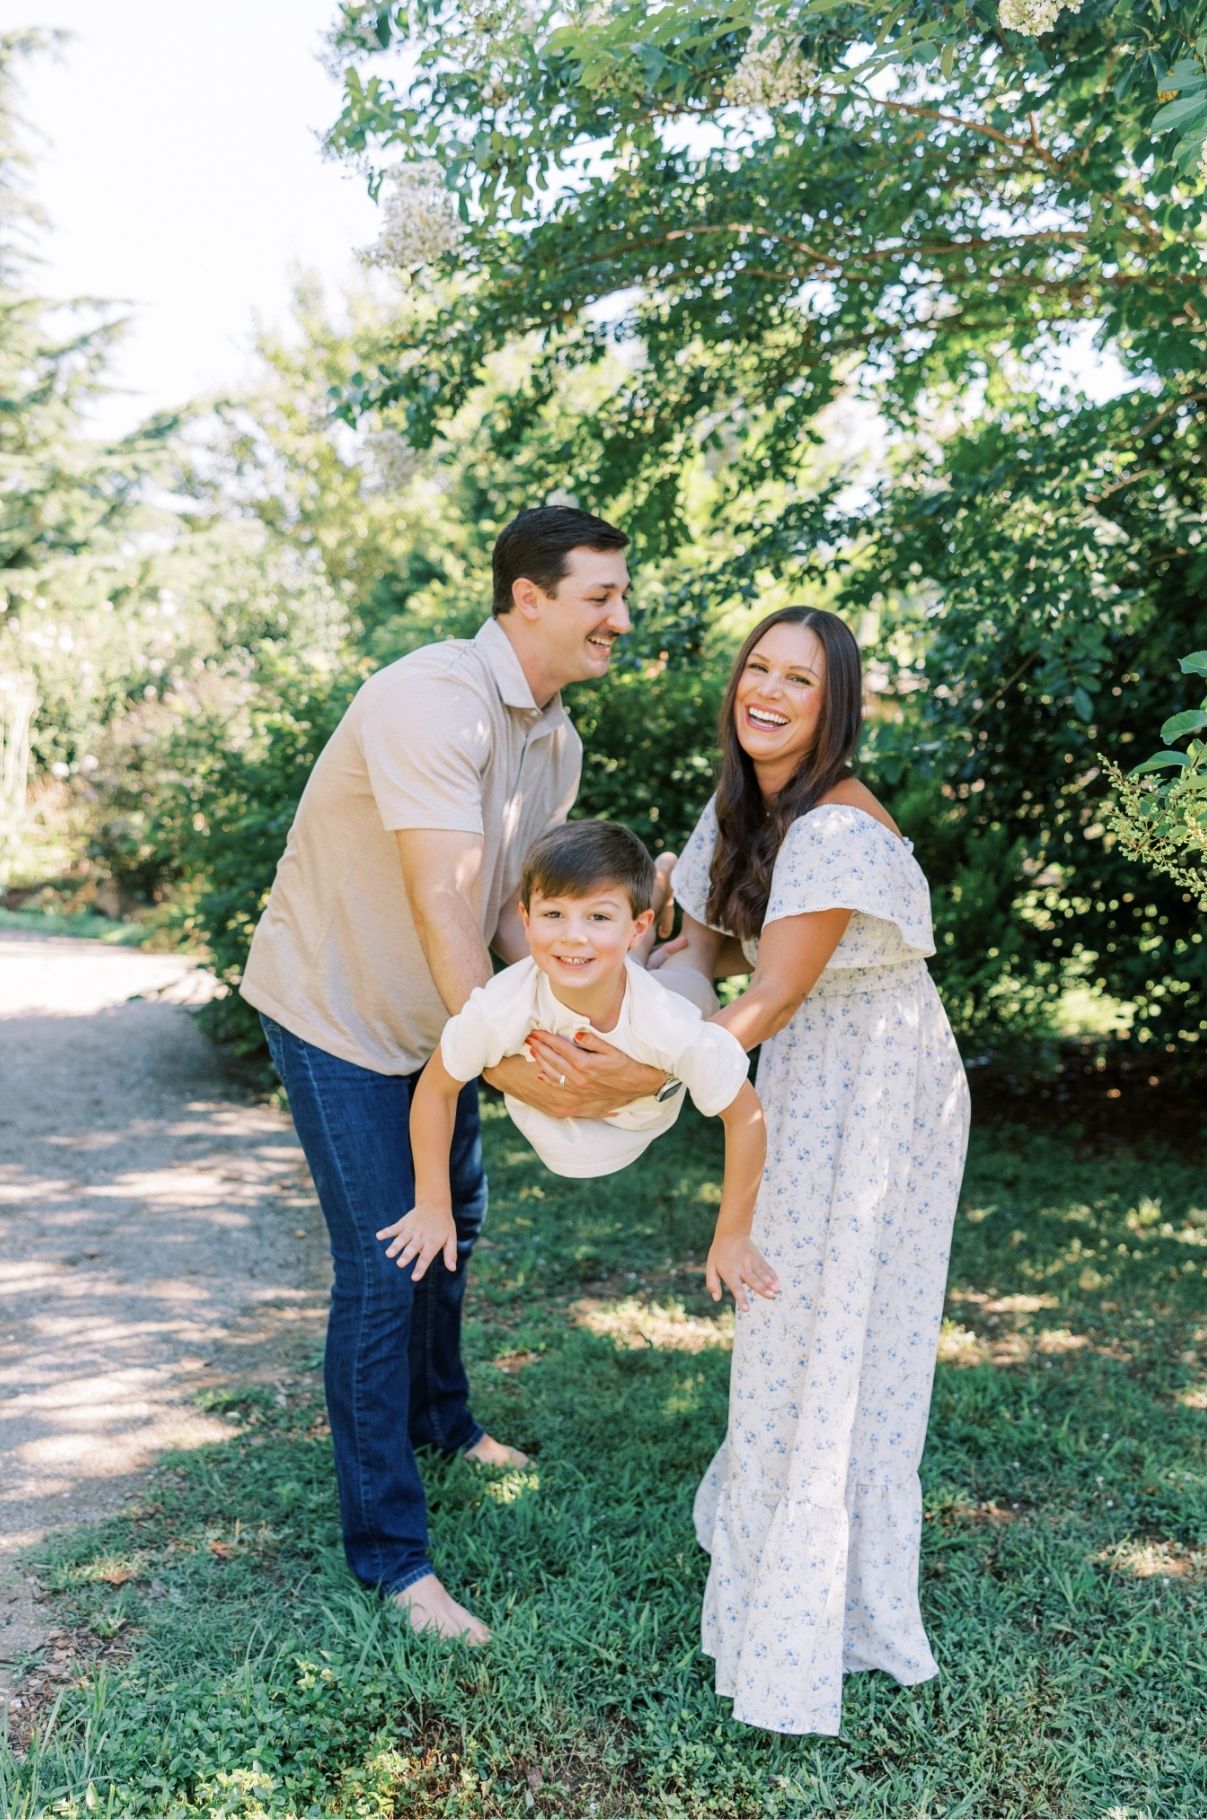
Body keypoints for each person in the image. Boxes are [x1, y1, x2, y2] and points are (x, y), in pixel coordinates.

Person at [241, 505, 677, 1645]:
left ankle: (443, 1419)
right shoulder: (432, 700)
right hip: (339, 1012)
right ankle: (392, 1559)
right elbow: (445, 904)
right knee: (390, 1266)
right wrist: (519, 1070)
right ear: (526, 597)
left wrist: (591, 1034)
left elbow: (510, 919)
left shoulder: (556, 740)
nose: (621, 618)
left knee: (460, 1218)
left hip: (440, 1020)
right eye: (601, 596)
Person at [645, 605, 971, 1736]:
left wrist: (640, 1080)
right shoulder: (741, 802)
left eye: (800, 679)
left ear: (835, 707)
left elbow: (769, 993)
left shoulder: (831, 829)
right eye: (756, 667)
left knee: (832, 1328)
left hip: (878, 1084)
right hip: (811, 1066)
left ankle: (825, 1602)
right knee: (792, 1327)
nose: (768, 692)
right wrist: (625, 1027)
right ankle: (781, 1558)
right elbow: (696, 958)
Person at [376, 820, 777, 1316]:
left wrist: (733, 1235)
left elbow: (745, 1115)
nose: (572, 935)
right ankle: (656, 881)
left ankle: (669, 885)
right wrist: (433, 1202)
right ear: (525, 920)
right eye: (553, 913)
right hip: (589, 1056)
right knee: (611, 962)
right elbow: (436, 1089)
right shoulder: (501, 1006)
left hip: (651, 1071)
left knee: (689, 969)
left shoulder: (669, 1022)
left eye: (597, 917)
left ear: (635, 926)